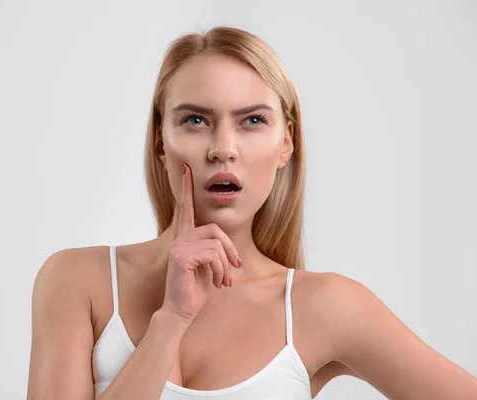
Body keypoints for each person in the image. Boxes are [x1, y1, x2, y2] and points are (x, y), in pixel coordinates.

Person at [26, 26, 477, 400]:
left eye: (253, 121)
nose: (223, 149)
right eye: (195, 120)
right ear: (160, 141)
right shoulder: (77, 280)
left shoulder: (322, 307)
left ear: (286, 143)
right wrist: (170, 322)